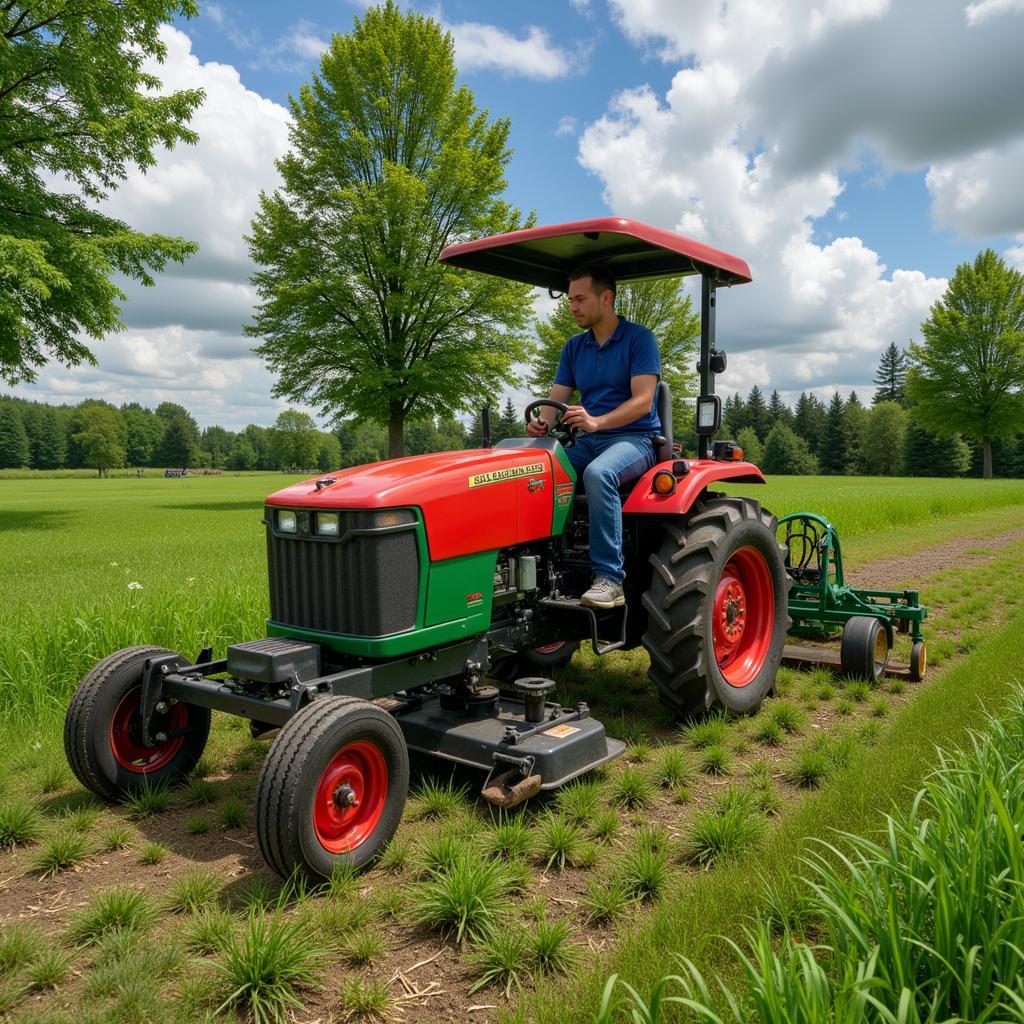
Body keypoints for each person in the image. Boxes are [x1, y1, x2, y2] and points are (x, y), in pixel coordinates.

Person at [527, 264, 661, 609]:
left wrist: (598, 421)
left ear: (606, 298)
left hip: (634, 439)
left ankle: (609, 579)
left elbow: (644, 401)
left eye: (580, 299)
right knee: (538, 474)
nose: (573, 307)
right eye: (570, 299)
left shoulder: (639, 339)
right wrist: (542, 424)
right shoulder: (574, 347)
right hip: (588, 440)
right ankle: (543, 569)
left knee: (599, 474)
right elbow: (556, 400)